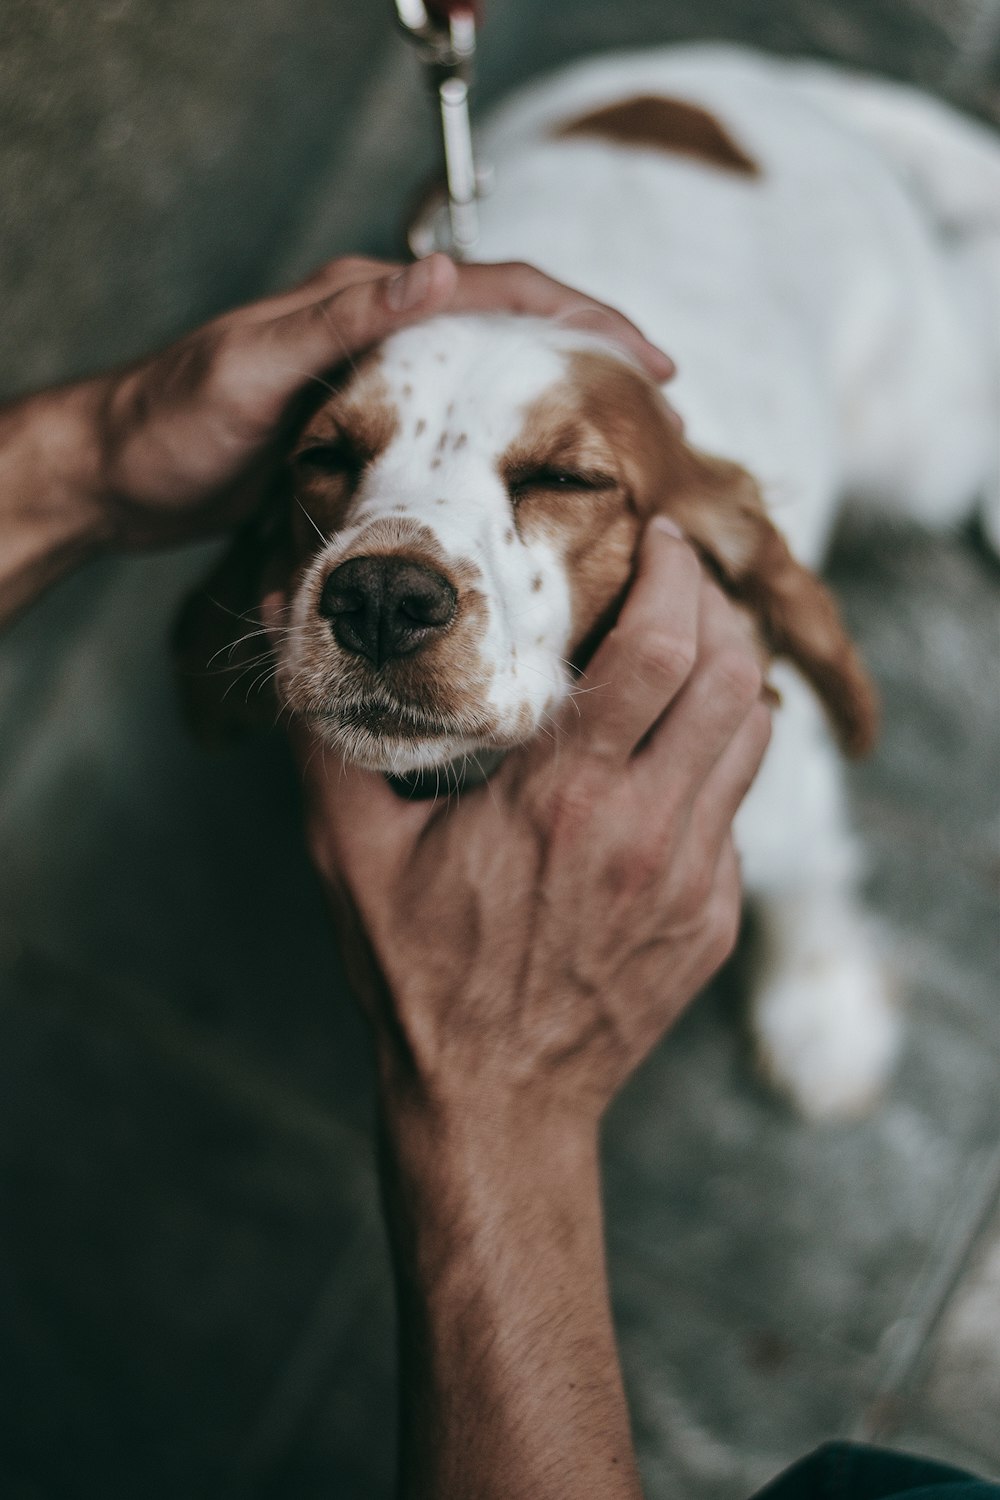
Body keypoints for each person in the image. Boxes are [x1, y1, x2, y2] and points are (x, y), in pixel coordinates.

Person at [1, 252, 994, 1500]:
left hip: (821, 255)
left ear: (718, 551)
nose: (386, 573)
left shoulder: (720, 580)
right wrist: (101, 456)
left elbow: (789, 794)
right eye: (334, 458)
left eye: (561, 477)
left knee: (944, 464)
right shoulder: (321, 544)